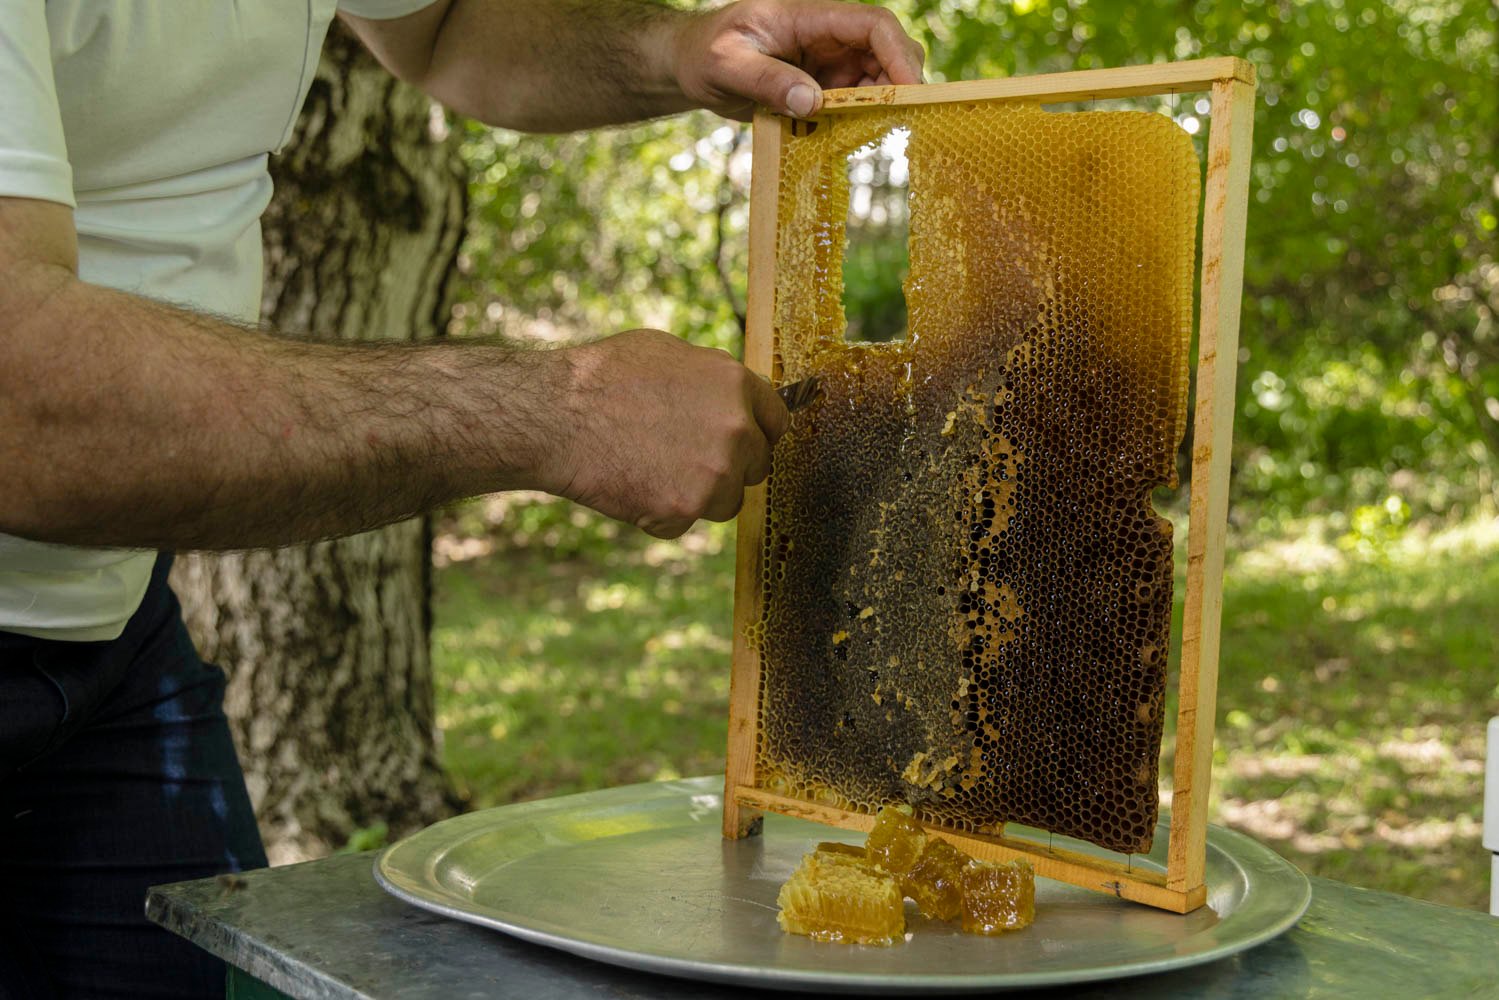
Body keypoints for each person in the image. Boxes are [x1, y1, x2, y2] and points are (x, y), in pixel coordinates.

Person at [0, 0, 925, 995]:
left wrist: (672, 48)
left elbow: (442, 29)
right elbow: (18, 398)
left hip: (112, 628)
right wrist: (557, 409)